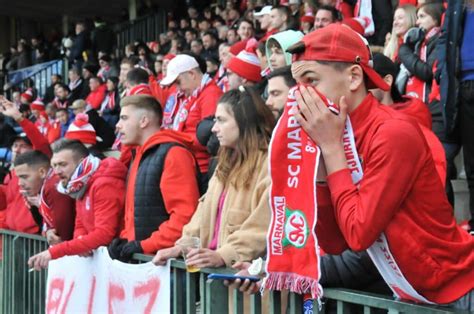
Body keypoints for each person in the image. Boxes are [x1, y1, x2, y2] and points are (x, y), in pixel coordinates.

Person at [286, 24, 473, 310]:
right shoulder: (338, 135)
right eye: (297, 85)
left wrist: (333, 151)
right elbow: (336, 243)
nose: (301, 96)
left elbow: (359, 233)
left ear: (353, 77)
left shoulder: (392, 132)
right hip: (415, 295)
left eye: (311, 81)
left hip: (459, 290)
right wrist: (322, 177)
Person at [153, 86, 275, 269]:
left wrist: (225, 255)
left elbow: (263, 225)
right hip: (222, 285)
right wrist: (181, 246)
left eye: (221, 120)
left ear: (244, 122)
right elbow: (203, 214)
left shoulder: (270, 165)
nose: (214, 129)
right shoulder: (223, 165)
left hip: (251, 288)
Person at [108, 95, 200, 260]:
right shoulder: (139, 155)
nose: (117, 125)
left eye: (124, 118)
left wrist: (144, 245)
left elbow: (184, 217)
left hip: (167, 267)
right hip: (147, 261)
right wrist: (125, 240)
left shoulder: (174, 154)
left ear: (143, 121)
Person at [28, 139, 127, 270]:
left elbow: (105, 233)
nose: (57, 171)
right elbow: (80, 224)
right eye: (54, 165)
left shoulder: (104, 183)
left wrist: (53, 252)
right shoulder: (80, 184)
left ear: (81, 163)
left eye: (62, 164)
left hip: (118, 261)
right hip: (104, 262)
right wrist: (81, 242)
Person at [436, 0, 474, 232]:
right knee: (471, 163)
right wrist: (442, 71)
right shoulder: (458, 3)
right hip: (464, 87)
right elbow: (445, 37)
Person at [160, 54, 222, 174]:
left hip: (203, 169)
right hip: (191, 165)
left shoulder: (211, 95)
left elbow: (211, 139)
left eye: (178, 82)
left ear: (191, 74)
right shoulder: (195, 95)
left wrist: (172, 137)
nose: (178, 89)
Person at [0, 96, 52, 234]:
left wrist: (18, 117)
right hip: (12, 236)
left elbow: (40, 142)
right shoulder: (10, 175)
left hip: (34, 237)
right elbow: (4, 203)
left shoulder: (42, 167)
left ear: (33, 149)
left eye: (22, 146)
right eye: (14, 146)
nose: (17, 150)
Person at [14, 150, 75, 244]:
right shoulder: (48, 184)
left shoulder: (53, 186)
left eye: (24, 177)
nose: (20, 183)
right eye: (18, 177)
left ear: (42, 172)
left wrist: (40, 206)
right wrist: (47, 231)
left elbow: (63, 236)